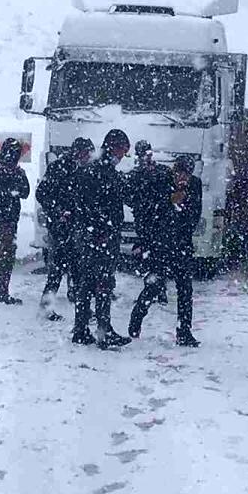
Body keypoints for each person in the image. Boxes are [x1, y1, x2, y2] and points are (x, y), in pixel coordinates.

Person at [129, 154, 201, 347]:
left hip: (182, 246)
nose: (182, 178)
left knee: (185, 290)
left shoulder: (195, 185)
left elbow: (194, 216)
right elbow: (151, 212)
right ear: (174, 171)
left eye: (186, 175)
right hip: (161, 245)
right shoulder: (161, 182)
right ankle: (136, 319)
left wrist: (183, 207)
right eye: (179, 174)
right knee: (154, 286)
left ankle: (184, 331)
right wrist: (171, 203)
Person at [71, 129, 133, 349]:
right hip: (101, 237)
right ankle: (103, 331)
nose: (123, 156)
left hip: (91, 235)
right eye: (123, 150)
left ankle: (81, 329)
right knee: (103, 284)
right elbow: (95, 205)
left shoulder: (94, 170)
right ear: (114, 147)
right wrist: (103, 229)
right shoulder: (105, 173)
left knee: (87, 283)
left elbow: (83, 203)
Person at [36, 137, 93, 320]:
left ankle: (80, 305)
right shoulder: (58, 168)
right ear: (77, 152)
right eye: (86, 153)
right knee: (57, 270)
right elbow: (42, 193)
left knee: (78, 269)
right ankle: (46, 308)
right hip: (60, 228)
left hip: (77, 227)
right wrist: (58, 211)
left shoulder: (85, 170)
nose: (88, 157)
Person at [0, 138, 30, 305]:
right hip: (3, 219)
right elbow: (23, 192)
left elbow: (24, 192)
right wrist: (11, 191)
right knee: (1, 256)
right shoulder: (5, 171)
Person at [124, 140, 172, 301]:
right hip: (146, 222)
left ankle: (158, 290)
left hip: (157, 221)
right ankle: (154, 290)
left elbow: (169, 194)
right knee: (149, 258)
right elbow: (128, 196)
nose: (145, 158)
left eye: (146, 154)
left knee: (157, 257)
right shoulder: (137, 175)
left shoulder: (161, 172)